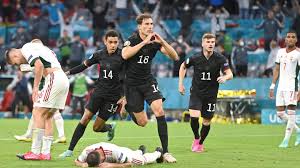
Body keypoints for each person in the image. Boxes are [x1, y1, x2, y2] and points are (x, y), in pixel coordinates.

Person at [122, 13, 178, 163]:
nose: (150, 27)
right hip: (132, 85)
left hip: (147, 81)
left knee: (159, 110)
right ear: (139, 26)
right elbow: (125, 55)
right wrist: (144, 42)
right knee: (143, 122)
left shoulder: (155, 42)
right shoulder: (132, 40)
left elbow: (175, 57)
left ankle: (166, 152)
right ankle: (127, 106)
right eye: (146, 24)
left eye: (151, 24)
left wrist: (163, 42)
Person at [59, 30, 125, 158]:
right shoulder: (99, 54)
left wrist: (125, 96)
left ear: (118, 42)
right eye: (110, 42)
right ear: (105, 41)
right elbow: (83, 66)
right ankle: (70, 150)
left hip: (113, 97)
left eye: (115, 42)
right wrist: (67, 73)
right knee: (85, 118)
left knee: (96, 128)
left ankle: (109, 127)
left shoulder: (123, 55)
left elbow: (129, 77)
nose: (113, 45)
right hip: (99, 92)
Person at [6, 39, 69, 160]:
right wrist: (29, 68)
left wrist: (35, 87)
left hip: (53, 78)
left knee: (37, 112)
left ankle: (35, 152)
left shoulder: (26, 48)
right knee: (48, 116)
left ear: (14, 54)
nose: (17, 64)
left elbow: (39, 65)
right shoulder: (42, 49)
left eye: (15, 62)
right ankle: (45, 153)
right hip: (62, 79)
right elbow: (41, 65)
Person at [178, 33, 233, 152]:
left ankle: (201, 143)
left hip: (211, 94)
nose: (210, 44)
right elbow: (183, 67)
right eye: (208, 42)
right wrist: (180, 84)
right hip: (196, 92)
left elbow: (230, 74)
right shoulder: (195, 57)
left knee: (207, 121)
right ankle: (196, 138)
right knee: (194, 117)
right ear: (203, 44)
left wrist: (225, 77)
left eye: (212, 42)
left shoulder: (220, 58)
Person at [269, 30, 300, 148]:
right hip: (281, 86)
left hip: (293, 86)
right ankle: (298, 130)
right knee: (280, 114)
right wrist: (272, 85)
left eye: (293, 37)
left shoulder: (298, 54)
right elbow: (276, 69)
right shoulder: (280, 52)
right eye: (288, 37)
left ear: (296, 40)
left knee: (291, 113)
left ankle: (286, 140)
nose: (290, 39)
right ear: (285, 39)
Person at [74, 142, 163, 167]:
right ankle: (139, 151)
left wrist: (111, 165)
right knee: (135, 154)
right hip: (120, 154)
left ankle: (158, 153)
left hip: (123, 154)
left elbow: (129, 164)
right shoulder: (87, 151)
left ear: (102, 159)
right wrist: (82, 164)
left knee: (140, 161)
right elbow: (76, 161)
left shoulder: (114, 152)